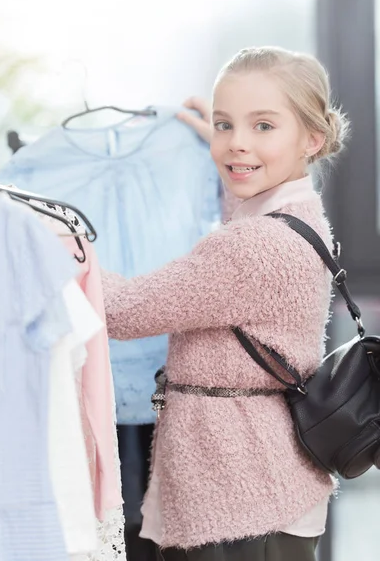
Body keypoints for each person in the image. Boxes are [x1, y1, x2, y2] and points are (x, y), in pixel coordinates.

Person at [102, 46, 349, 561]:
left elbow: (121, 311)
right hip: (266, 490)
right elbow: (243, 200)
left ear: (312, 138)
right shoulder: (299, 215)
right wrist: (220, 146)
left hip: (239, 502)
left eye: (263, 126)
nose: (236, 144)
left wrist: (57, 240)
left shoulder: (248, 248)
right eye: (223, 124)